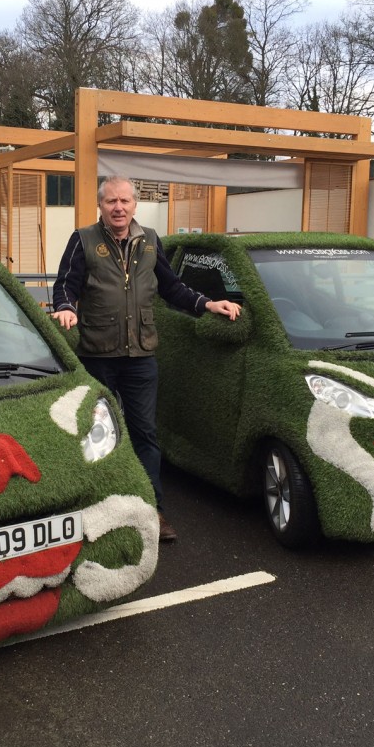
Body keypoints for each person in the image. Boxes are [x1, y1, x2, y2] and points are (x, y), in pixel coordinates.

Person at [52, 176, 241, 542]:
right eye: (111, 201)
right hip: (97, 354)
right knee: (96, 432)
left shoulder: (151, 241)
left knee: (145, 434)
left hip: (140, 356)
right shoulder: (84, 239)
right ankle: (99, 507)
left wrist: (206, 304)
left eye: (124, 201)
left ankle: (153, 508)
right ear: (101, 206)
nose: (118, 207)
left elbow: (172, 287)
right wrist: (64, 308)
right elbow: (65, 284)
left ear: (135, 205)